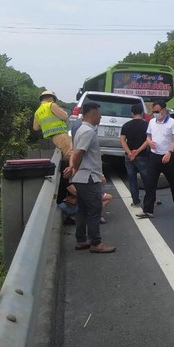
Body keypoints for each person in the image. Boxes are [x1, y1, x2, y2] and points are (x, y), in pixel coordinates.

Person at [63, 102, 116, 253]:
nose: (100, 117)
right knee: (94, 209)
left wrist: (74, 169)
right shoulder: (88, 132)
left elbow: (74, 152)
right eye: (99, 114)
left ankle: (81, 240)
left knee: (83, 210)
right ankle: (96, 243)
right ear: (92, 114)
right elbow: (79, 153)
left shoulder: (80, 129)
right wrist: (76, 169)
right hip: (88, 178)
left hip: (82, 177)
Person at [137, 100, 174, 218]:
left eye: (157, 111)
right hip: (154, 156)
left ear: (164, 110)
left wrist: (169, 152)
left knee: (173, 181)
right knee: (150, 183)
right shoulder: (152, 122)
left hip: (168, 156)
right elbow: (148, 136)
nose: (155, 114)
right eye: (153, 112)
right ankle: (148, 210)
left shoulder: (172, 123)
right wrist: (150, 142)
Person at [119, 103, 150, 208]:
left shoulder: (126, 125)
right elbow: (148, 140)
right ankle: (150, 200)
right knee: (146, 178)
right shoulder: (146, 125)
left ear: (132, 113)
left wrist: (129, 152)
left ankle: (135, 201)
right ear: (142, 112)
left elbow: (122, 140)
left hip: (129, 157)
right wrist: (138, 151)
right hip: (142, 156)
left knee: (132, 179)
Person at [33, 90, 72, 161]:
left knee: (62, 156)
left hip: (52, 138)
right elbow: (65, 117)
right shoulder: (51, 105)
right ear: (52, 98)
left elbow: (35, 128)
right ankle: (70, 171)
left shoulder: (37, 112)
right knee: (70, 154)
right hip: (61, 135)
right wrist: (61, 110)